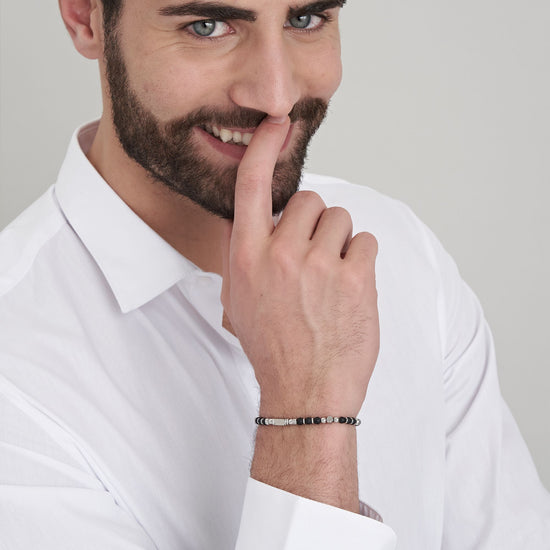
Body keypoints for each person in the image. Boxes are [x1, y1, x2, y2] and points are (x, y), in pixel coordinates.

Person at [0, 0, 548, 548]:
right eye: (206, 26)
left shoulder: (399, 248)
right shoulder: (15, 375)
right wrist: (307, 413)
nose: (276, 96)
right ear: (85, 17)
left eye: (305, 20)